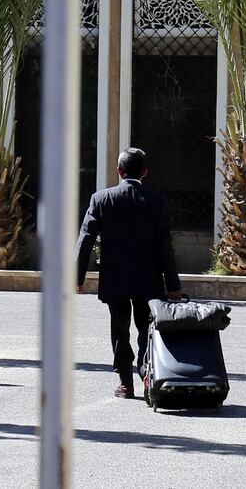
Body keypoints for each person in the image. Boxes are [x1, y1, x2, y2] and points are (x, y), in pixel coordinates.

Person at [76, 148, 182, 399]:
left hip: (116, 279)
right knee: (147, 330)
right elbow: (165, 246)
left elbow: (85, 239)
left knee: (119, 330)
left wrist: (76, 278)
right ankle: (147, 376)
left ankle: (125, 383)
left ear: (119, 171)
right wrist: (173, 285)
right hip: (149, 280)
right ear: (145, 172)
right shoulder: (157, 202)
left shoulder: (101, 199)